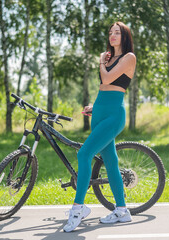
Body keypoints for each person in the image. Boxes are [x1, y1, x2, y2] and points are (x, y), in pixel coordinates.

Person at [63, 21, 137, 233]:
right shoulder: (109, 58)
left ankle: (78, 209)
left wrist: (100, 63)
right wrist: (94, 107)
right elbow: (105, 86)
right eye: (110, 32)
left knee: (84, 154)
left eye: (117, 32)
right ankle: (122, 211)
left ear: (124, 36)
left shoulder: (128, 57)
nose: (112, 36)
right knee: (111, 163)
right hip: (100, 111)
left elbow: (107, 77)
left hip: (114, 115)